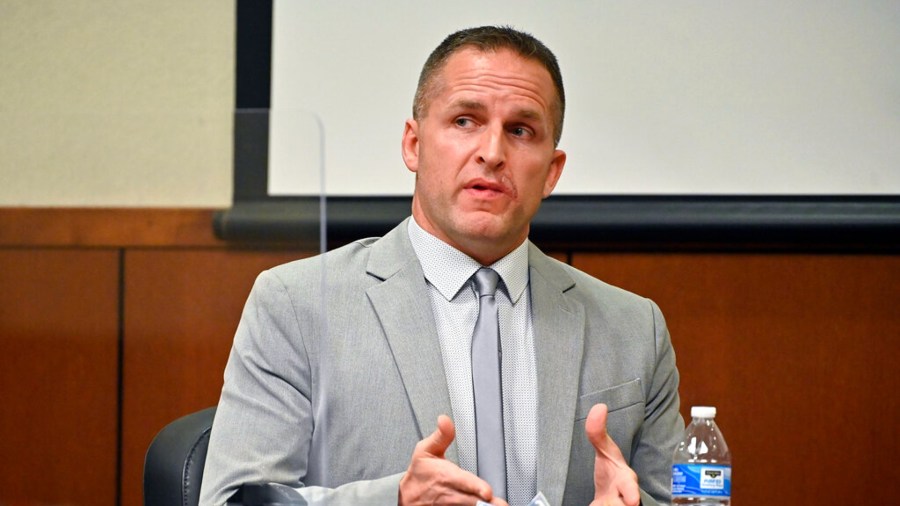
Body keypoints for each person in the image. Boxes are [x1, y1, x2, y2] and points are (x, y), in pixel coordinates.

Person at [200, 26, 683, 506]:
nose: (492, 153)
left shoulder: (634, 328)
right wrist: (396, 500)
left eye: (520, 130)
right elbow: (233, 500)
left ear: (552, 171)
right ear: (413, 144)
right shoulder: (297, 304)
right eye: (465, 121)